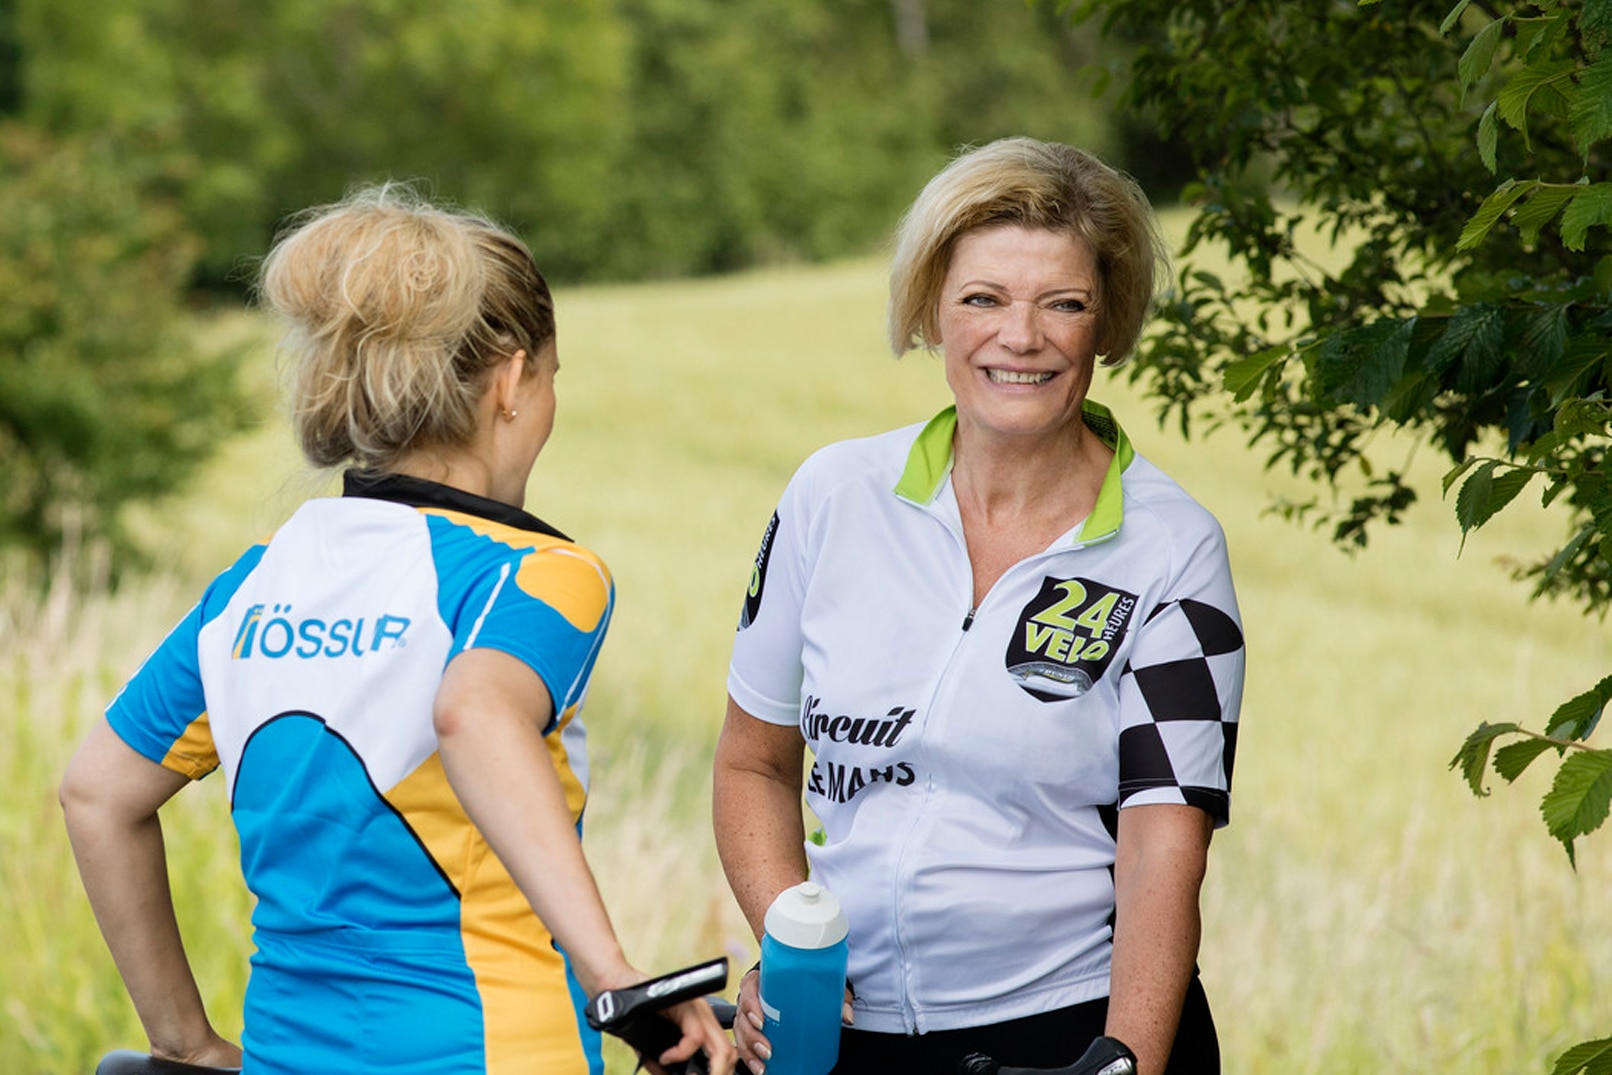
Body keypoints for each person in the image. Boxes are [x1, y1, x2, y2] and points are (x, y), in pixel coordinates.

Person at [60, 186, 736, 1075]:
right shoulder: (535, 573)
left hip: (284, 1056)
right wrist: (616, 976)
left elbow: (97, 793)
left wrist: (183, 1042)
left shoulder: (254, 584)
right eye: (552, 378)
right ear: (510, 381)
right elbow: (475, 713)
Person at [712, 137, 1243, 1075]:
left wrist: (1126, 1060)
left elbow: (1165, 840)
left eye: (1063, 304)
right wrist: (789, 941)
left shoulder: (1171, 547)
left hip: (1061, 1030)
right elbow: (753, 763)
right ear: (930, 312)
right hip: (841, 1036)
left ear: (1106, 322)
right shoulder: (832, 497)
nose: (1021, 336)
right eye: (983, 298)